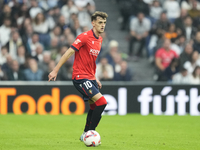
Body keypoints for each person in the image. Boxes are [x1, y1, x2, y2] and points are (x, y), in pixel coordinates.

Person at [48, 11, 108, 142]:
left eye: (104, 23)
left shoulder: (100, 39)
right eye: (100, 23)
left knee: (94, 106)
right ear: (93, 23)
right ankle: (90, 133)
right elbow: (69, 52)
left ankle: (86, 133)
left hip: (90, 77)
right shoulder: (84, 37)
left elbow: (91, 61)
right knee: (102, 102)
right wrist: (55, 70)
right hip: (80, 77)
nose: (102, 25)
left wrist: (95, 78)